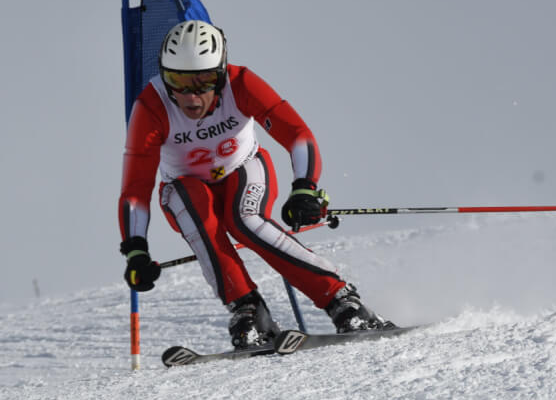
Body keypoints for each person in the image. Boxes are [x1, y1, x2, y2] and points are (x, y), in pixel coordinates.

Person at [118, 20, 391, 349]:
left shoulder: (240, 83)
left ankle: (342, 300)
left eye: (204, 81)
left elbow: (298, 136)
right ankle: (248, 311)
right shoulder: (150, 107)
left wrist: (304, 187)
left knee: (244, 220)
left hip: (243, 167)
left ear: (220, 74)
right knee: (195, 211)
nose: (191, 95)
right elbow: (136, 188)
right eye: (178, 80)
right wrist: (136, 249)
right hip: (186, 186)